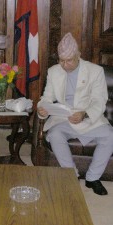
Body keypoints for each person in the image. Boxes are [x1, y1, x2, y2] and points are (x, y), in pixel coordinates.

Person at [37, 32, 113, 196]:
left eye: (69, 60)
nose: (64, 65)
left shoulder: (95, 71)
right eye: (61, 60)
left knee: (109, 136)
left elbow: (99, 100)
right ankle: (71, 174)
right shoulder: (54, 71)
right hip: (63, 117)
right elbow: (47, 96)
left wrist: (84, 114)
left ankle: (93, 178)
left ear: (78, 55)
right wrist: (42, 107)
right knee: (55, 134)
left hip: (87, 116)